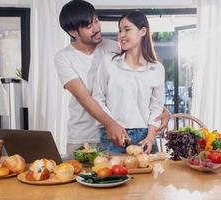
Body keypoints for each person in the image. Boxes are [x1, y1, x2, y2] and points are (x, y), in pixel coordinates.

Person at [55, 0, 169, 156]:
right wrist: (110, 124)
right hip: (84, 135)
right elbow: (84, 97)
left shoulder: (113, 48)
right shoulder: (64, 57)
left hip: (120, 133)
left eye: (96, 21)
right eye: (89, 26)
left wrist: (163, 111)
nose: (96, 28)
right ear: (73, 32)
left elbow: (134, 86)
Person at [93, 11, 165, 154]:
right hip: (113, 134)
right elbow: (98, 97)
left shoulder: (156, 68)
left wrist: (150, 137)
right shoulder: (109, 62)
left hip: (145, 136)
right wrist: (111, 125)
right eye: (120, 30)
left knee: (147, 176)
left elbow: (156, 107)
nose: (121, 35)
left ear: (143, 31)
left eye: (127, 29)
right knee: (111, 175)